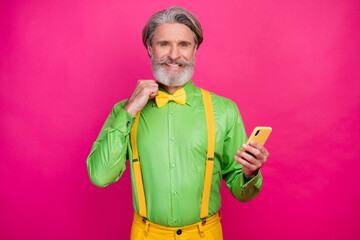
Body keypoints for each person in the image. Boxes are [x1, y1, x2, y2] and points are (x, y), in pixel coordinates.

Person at [86, 6, 269, 240]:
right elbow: (100, 176)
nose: (174, 55)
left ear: (195, 50)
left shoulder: (225, 110)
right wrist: (130, 109)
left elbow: (241, 192)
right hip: (146, 234)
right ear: (150, 48)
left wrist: (249, 172)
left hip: (206, 234)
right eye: (164, 44)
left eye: (183, 44)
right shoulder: (124, 111)